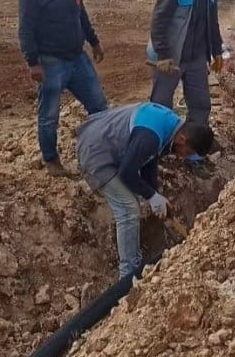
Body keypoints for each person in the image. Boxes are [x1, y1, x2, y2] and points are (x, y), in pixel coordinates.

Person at [76, 102, 213, 278]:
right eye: (187, 152)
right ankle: (128, 274)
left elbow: (149, 160)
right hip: (95, 152)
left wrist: (154, 193)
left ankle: (133, 262)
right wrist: (151, 196)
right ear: (182, 140)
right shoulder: (150, 135)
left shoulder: (170, 126)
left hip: (108, 145)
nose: (182, 156)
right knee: (128, 209)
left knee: (134, 198)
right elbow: (127, 172)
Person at [18, 0, 108, 176]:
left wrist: (94, 41)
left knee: (99, 106)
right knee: (49, 116)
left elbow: (81, 12)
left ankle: (102, 151)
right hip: (51, 62)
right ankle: (51, 160)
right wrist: (33, 62)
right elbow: (25, 29)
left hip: (78, 58)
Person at [147, 0, 228, 127]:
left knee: (201, 105)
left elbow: (211, 18)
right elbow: (159, 19)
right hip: (171, 56)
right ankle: (161, 147)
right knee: (161, 105)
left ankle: (193, 147)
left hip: (196, 56)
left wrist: (216, 50)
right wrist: (163, 54)